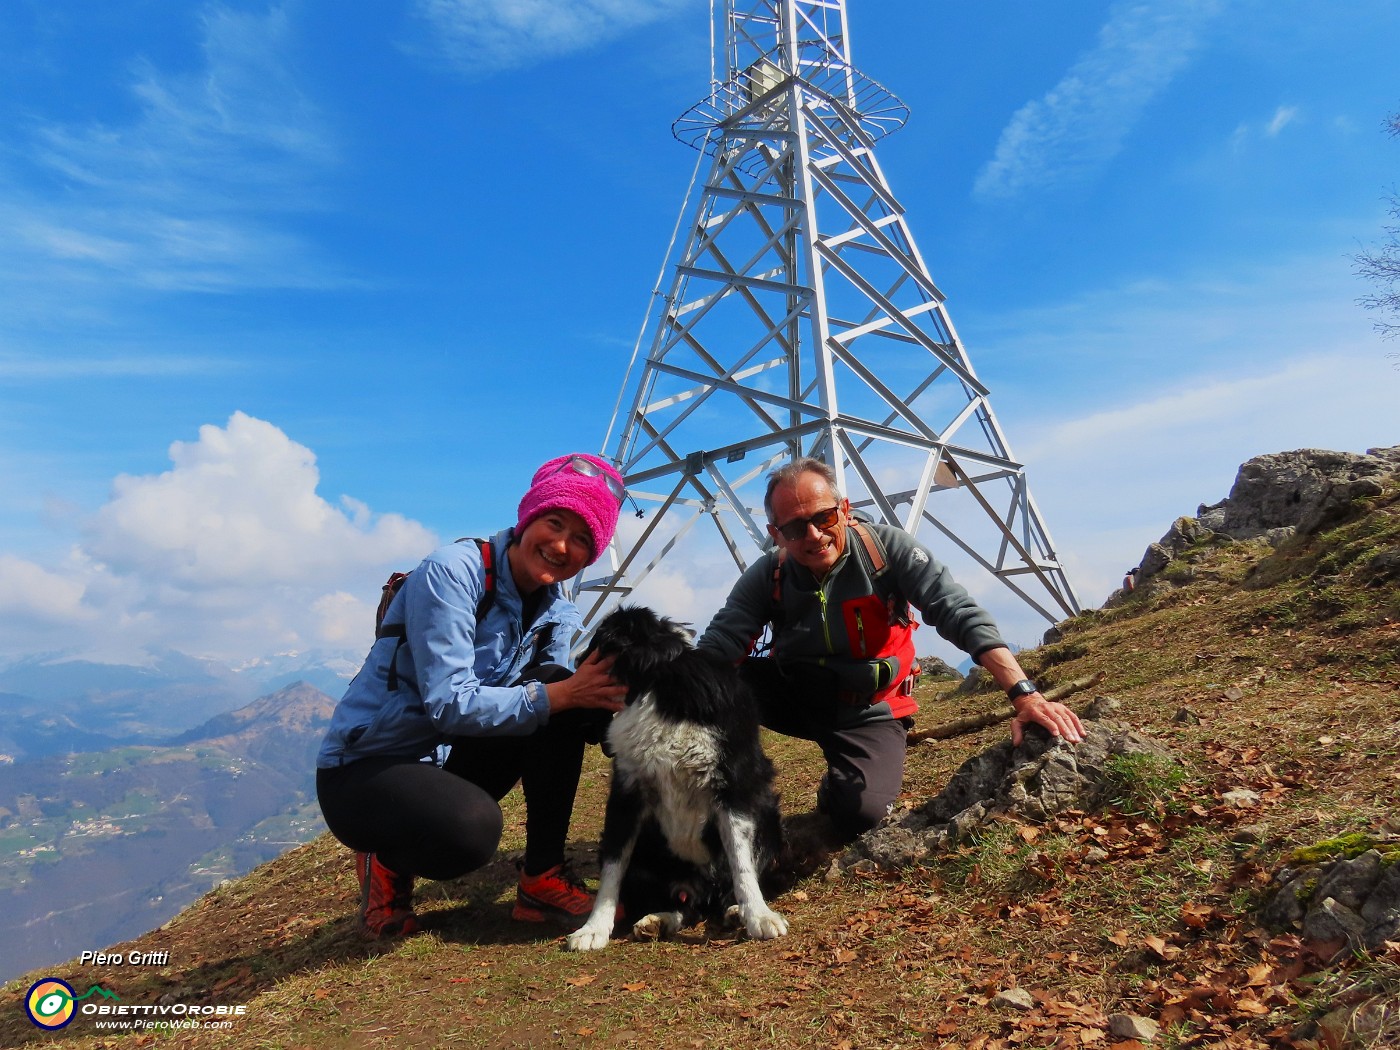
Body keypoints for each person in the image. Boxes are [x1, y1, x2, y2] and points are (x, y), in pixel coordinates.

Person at [316, 453, 628, 937]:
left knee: (562, 700)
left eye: (584, 539)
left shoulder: (557, 607)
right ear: (528, 517)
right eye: (554, 522)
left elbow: (555, 694)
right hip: (368, 766)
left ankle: (541, 880)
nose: (562, 545)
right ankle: (385, 860)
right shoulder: (453, 571)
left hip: (449, 756)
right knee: (470, 832)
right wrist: (560, 696)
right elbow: (448, 702)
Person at [697, 458, 1084, 841]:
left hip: (868, 708)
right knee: (708, 686)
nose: (814, 535)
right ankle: (709, 803)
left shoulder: (887, 551)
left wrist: (1024, 695)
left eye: (824, 518)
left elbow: (957, 612)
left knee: (859, 816)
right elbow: (720, 643)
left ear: (844, 510)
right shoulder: (770, 574)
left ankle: (838, 785)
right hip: (794, 695)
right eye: (796, 528)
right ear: (776, 533)